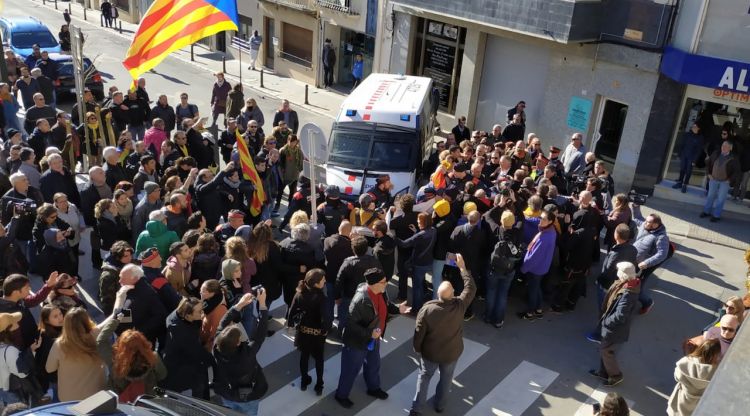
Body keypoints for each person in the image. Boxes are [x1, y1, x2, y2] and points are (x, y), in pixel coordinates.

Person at [334, 268, 411, 408]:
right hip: (356, 343)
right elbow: (350, 325)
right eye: (383, 282)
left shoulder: (380, 292)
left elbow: (386, 306)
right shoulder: (360, 300)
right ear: (374, 283)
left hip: (373, 338)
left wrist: (398, 308)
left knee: (373, 364)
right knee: (350, 370)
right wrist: (369, 334)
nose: (386, 283)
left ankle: (373, 388)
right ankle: (341, 395)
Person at [410, 254, 475, 416]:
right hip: (451, 352)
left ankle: (416, 409)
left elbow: (419, 333)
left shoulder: (428, 309)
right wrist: (462, 268)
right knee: (446, 380)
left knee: (424, 378)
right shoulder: (459, 306)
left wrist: (417, 348)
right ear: (452, 294)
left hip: (430, 352)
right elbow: (470, 288)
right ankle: (440, 405)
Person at [212, 291, 269, 415]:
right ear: (238, 343)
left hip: (227, 393)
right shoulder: (247, 353)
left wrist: (239, 305)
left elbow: (222, 323)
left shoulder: (216, 347)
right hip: (249, 396)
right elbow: (261, 333)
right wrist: (262, 304)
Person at [45, 307, 115, 401]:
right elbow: (109, 320)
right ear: (86, 321)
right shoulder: (96, 335)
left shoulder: (59, 344)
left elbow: (49, 369)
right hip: (97, 397)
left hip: (69, 399)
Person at [589, 262, 640, 387]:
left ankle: (616, 375)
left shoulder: (628, 294)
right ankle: (603, 372)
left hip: (613, 328)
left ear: (624, 274)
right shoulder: (626, 283)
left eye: (619, 271)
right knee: (604, 349)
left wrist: (606, 321)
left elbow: (620, 315)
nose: (617, 273)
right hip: (610, 326)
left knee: (606, 350)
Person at [287, 269, 331, 395]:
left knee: (304, 356)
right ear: (316, 283)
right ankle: (319, 385)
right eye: (323, 280)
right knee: (319, 359)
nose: (325, 281)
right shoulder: (321, 297)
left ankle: (304, 380)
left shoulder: (300, 293)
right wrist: (325, 330)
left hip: (303, 331)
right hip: (317, 334)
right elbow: (326, 317)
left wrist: (290, 324)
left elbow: (292, 310)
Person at [160, 297, 213, 399]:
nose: (202, 313)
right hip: (179, 367)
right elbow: (197, 352)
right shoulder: (182, 332)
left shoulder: (180, 313)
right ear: (188, 315)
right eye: (199, 312)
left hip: (179, 361)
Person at [485, 210, 521, 328]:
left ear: (501, 220)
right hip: (509, 269)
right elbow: (522, 219)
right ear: (513, 222)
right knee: (503, 294)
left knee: (491, 291)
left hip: (494, 268)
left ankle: (488, 316)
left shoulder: (496, 230)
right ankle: (498, 320)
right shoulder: (517, 232)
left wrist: (500, 204)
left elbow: (487, 216)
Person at [109, 329, 167, 402]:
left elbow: (111, 387)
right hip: (149, 399)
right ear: (143, 342)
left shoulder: (115, 363)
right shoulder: (153, 357)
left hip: (126, 403)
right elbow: (162, 375)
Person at [395, 212, 436, 314]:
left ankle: (416, 309)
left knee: (416, 287)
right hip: (428, 262)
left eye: (419, 220)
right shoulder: (433, 230)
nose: (417, 222)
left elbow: (404, 244)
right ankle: (423, 299)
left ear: (424, 222)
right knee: (421, 283)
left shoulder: (420, 235)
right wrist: (416, 231)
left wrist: (392, 237)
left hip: (419, 264)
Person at [667, 338, 720, 416]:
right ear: (716, 355)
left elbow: (676, 377)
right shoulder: (717, 371)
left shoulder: (686, 362)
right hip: (699, 407)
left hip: (681, 403)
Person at [519, 210, 556, 321]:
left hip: (535, 269)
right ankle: (539, 310)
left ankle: (530, 313)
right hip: (542, 267)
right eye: (541, 217)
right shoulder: (551, 231)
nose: (540, 220)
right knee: (537, 287)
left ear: (550, 221)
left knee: (532, 290)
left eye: (544, 219)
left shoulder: (544, 237)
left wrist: (523, 268)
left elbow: (533, 257)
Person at [631, 204, 669, 314]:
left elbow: (662, 254)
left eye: (649, 223)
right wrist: (636, 207)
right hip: (634, 260)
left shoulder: (661, 237)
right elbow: (638, 218)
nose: (645, 224)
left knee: (637, 289)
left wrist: (646, 263)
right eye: (646, 221)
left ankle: (647, 302)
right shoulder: (645, 224)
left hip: (643, 266)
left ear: (656, 225)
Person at [0, 312, 38, 406]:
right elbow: (22, 373)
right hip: (13, 392)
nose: (17, 324)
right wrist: (31, 351)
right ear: (7, 330)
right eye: (14, 322)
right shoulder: (10, 350)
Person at [701, 141, 741, 222]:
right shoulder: (716, 153)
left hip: (724, 182)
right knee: (710, 196)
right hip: (713, 179)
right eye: (723, 145)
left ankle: (716, 215)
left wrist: (729, 180)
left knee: (721, 199)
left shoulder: (734, 158)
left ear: (730, 148)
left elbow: (737, 171)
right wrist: (708, 174)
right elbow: (708, 163)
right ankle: (706, 212)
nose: (723, 147)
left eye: (726, 146)